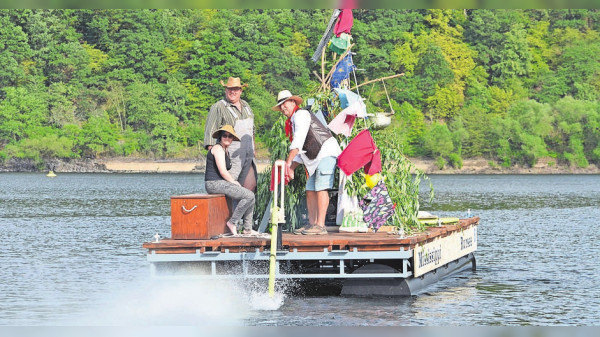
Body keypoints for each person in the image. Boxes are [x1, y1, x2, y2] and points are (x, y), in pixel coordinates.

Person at [272, 90, 342, 235]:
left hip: (326, 152)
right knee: (310, 189)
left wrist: (287, 163)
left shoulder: (301, 115)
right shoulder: (292, 120)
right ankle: (312, 223)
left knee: (321, 187)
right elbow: (301, 151)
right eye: (280, 106)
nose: (282, 108)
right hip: (314, 158)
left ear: (292, 102)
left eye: (284, 104)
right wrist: (290, 168)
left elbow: (298, 141)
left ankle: (320, 225)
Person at [203, 77, 257, 193]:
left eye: (236, 89)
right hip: (231, 156)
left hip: (248, 155)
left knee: (250, 187)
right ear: (225, 90)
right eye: (230, 89)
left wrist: (254, 147)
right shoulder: (218, 107)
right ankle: (230, 212)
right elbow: (210, 137)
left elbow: (252, 130)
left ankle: (245, 212)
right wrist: (219, 162)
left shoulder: (247, 106)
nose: (232, 92)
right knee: (232, 189)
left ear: (240, 91)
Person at [204, 125, 256, 235]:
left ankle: (247, 229)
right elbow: (223, 171)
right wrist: (234, 182)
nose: (227, 138)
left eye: (230, 136)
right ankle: (232, 222)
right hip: (214, 183)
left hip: (220, 183)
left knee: (250, 196)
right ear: (220, 137)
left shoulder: (225, 151)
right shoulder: (218, 149)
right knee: (249, 196)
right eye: (225, 136)